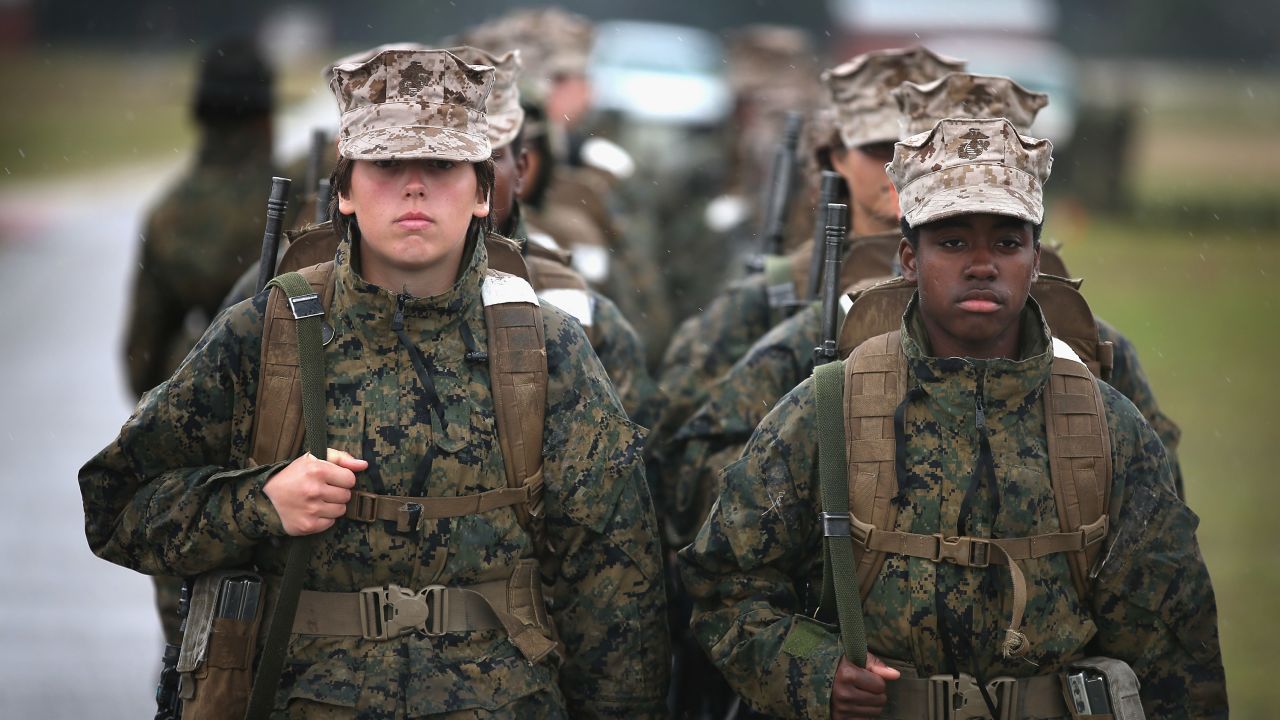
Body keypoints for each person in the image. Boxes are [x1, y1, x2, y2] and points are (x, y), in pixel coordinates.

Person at [81, 47, 668, 718]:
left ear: (483, 193)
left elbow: (618, 596)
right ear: (343, 190)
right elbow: (117, 503)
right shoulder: (266, 332)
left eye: (442, 165)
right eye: (387, 165)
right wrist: (259, 503)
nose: (414, 187)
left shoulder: (547, 347)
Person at [679, 117, 1226, 718]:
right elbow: (724, 585)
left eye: (1007, 242)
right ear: (910, 259)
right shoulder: (829, 408)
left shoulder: (1104, 424)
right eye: (954, 241)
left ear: (1036, 260)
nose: (982, 264)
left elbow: (1176, 647)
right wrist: (814, 670)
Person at [654, 47, 965, 543]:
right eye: (879, 148)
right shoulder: (773, 298)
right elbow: (681, 462)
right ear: (836, 157)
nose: (902, 167)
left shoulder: (997, 302)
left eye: (923, 147)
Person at [120, 37, 276, 647]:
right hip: (279, 429)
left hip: (192, 440)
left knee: (190, 634)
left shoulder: (169, 214)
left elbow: (138, 354)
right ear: (266, 118)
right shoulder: (288, 206)